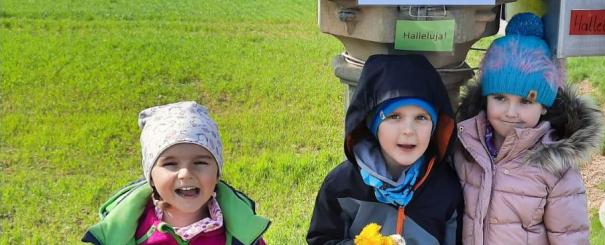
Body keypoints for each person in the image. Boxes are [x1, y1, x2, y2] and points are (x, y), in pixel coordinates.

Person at [454, 13, 605, 244]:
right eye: (500, 98)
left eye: (525, 101)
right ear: (485, 98)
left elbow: (570, 236)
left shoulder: (555, 168)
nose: (511, 112)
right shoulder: (467, 148)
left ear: (544, 106)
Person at [307, 54, 463, 244]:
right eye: (394, 117)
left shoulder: (446, 188)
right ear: (373, 125)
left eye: (421, 117)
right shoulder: (341, 185)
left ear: (435, 126)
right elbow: (320, 240)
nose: (408, 130)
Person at [82, 101, 270, 245]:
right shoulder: (128, 231)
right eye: (170, 163)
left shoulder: (242, 230)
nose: (185, 173)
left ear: (217, 172)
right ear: (151, 177)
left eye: (200, 162)